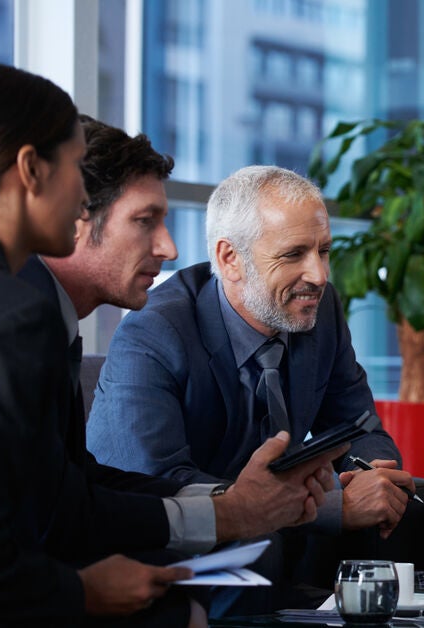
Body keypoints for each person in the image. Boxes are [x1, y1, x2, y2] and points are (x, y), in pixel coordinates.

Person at [86, 164, 416, 616]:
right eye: (294, 254)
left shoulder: (318, 311)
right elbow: (157, 488)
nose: (318, 274)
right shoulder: (154, 334)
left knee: (407, 501)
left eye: (324, 250)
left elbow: (358, 425)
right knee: (258, 540)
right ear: (229, 259)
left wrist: (370, 472)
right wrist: (332, 505)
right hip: (177, 540)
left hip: (278, 529)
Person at [18, 116, 343, 563]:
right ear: (75, 218)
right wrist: (238, 513)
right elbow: (37, 517)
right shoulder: (17, 329)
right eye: (144, 221)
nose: (170, 248)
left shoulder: (51, 323)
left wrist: (238, 509)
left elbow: (76, 483)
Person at [0, 63, 194, 626]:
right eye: (74, 169)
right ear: (30, 170)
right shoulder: (16, 314)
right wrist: (81, 592)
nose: (80, 197)